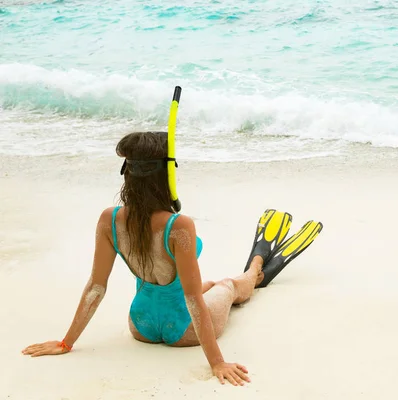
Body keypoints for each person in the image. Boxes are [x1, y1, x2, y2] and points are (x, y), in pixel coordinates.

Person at [21, 131, 323, 387]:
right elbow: (192, 299)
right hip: (182, 330)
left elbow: (96, 287)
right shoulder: (178, 226)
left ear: (127, 173)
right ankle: (256, 270)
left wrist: (66, 342)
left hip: (140, 326)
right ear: (166, 175)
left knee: (206, 284)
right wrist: (217, 363)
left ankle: (248, 276)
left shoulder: (109, 220)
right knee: (227, 285)